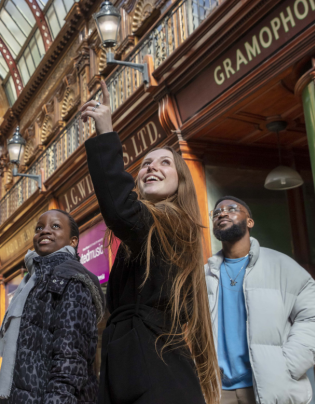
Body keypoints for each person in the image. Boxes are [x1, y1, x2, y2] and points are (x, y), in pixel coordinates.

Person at [80, 82, 219, 404]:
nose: (152, 167)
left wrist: (105, 133)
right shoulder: (150, 226)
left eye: (165, 162)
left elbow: (119, 210)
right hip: (137, 356)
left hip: (151, 363)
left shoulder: (172, 222)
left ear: (180, 182)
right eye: (145, 163)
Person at [205, 196, 315, 404]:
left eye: (232, 209)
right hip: (217, 392)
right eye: (217, 212)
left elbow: (314, 317)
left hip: (267, 388)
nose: (222, 213)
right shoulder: (204, 275)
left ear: (250, 222)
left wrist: (287, 365)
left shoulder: (282, 266)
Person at [0, 209, 105, 404]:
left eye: (55, 226)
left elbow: (70, 358)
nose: (45, 231)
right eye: (39, 228)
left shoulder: (70, 279)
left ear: (73, 241)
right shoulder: (32, 282)